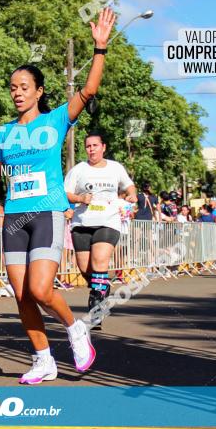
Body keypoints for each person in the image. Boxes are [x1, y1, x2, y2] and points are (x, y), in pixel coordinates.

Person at [0, 7, 116, 384]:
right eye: (12, 88)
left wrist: (99, 49)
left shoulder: (56, 119)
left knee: (40, 288)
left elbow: (89, 90)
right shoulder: (4, 133)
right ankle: (43, 359)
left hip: (47, 212)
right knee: (21, 294)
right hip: (15, 216)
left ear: (39, 91)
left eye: (23, 87)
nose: (16, 93)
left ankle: (75, 329)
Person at [64, 133, 136, 328]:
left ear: (103, 147)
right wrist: (80, 199)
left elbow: (129, 186)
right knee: (86, 268)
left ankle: (96, 306)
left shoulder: (115, 167)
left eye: (95, 145)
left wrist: (132, 196)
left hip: (109, 220)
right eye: (88, 146)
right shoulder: (78, 170)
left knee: (99, 261)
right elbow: (66, 193)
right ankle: (102, 285)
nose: (91, 149)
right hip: (82, 222)